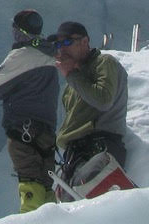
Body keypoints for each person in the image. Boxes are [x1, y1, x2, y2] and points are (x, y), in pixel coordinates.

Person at [0, 10, 59, 213]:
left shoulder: (21, 55)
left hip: (23, 130)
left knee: (30, 183)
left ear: (18, 32)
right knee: (45, 185)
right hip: (47, 132)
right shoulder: (49, 54)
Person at [51, 21, 129, 187]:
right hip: (76, 155)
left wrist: (71, 74)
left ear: (84, 41)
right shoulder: (72, 83)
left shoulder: (104, 62)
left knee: (82, 192)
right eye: (58, 44)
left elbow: (103, 100)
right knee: (71, 196)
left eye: (67, 42)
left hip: (100, 146)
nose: (62, 48)